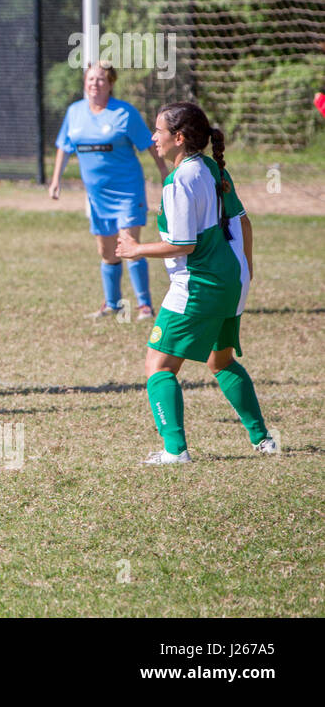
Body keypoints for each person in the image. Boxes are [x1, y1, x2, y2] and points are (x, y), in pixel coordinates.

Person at [115, 101, 276, 464]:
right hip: (232, 281)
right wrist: (246, 270)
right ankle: (264, 439)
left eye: (159, 131)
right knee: (221, 362)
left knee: (158, 367)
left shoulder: (179, 181)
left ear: (179, 137)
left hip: (198, 286)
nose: (154, 137)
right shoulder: (211, 167)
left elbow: (184, 244)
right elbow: (244, 222)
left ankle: (175, 451)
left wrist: (137, 249)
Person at [50, 63, 168, 320]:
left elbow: (148, 144)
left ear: (111, 84)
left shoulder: (124, 113)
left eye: (101, 79)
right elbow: (64, 146)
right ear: (84, 82)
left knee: (129, 244)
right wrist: (56, 179)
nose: (95, 83)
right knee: (106, 251)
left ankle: (144, 305)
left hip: (127, 192)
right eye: (91, 79)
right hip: (97, 197)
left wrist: (163, 171)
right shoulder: (75, 112)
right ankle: (112, 304)